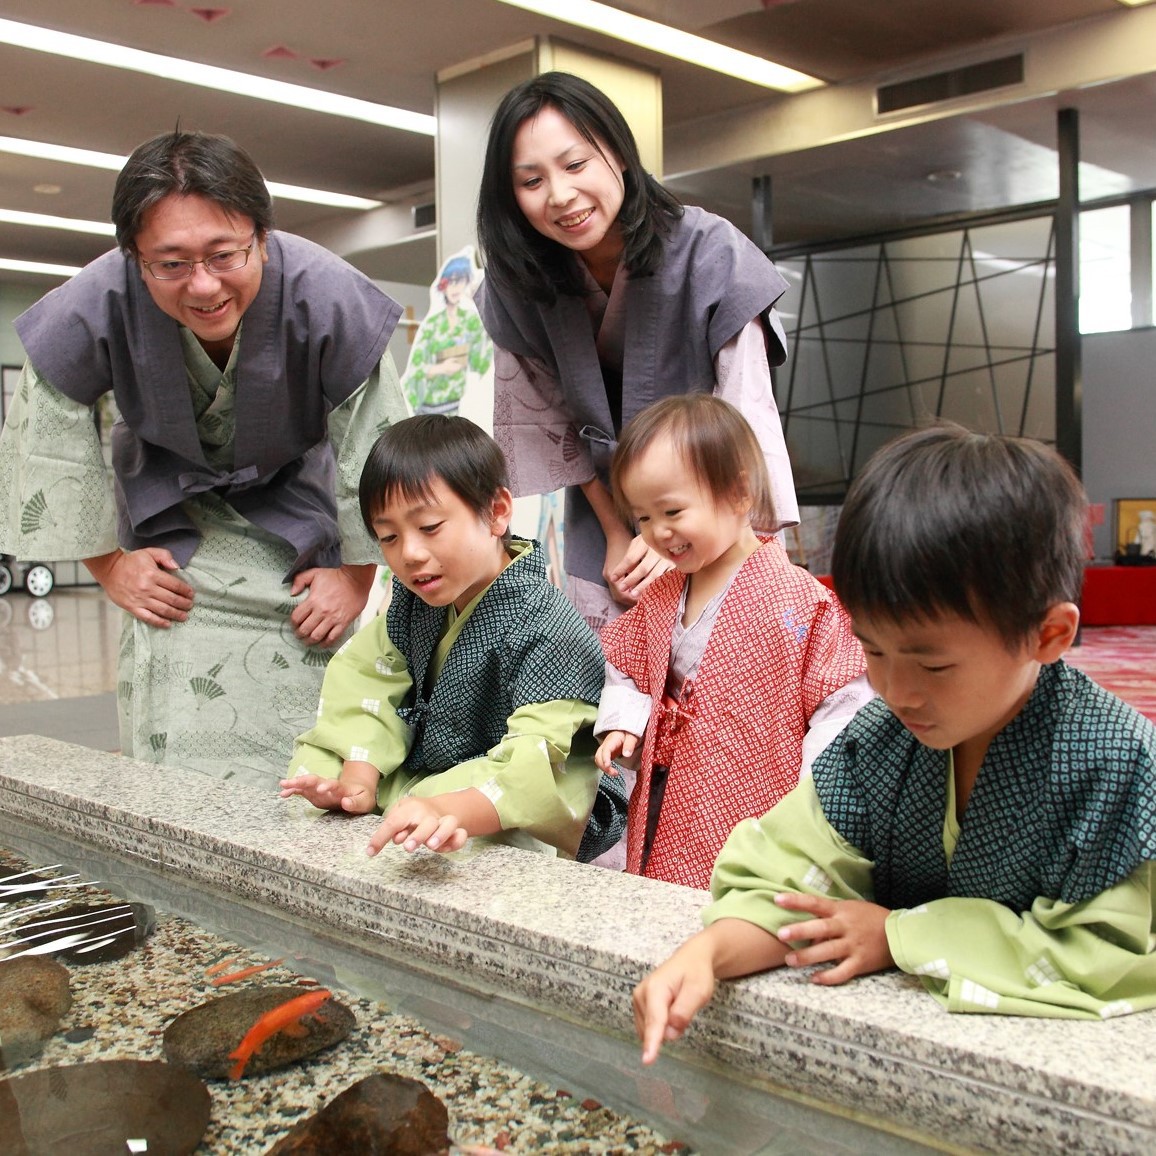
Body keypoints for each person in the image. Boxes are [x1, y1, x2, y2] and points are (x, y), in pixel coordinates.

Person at [633, 425, 1156, 1063]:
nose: (897, 691)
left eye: (932, 665)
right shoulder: (879, 742)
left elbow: (1101, 954)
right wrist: (709, 953)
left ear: (1048, 634)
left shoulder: (1110, 760)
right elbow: (788, 881)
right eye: (873, 650)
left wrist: (900, 935)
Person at [0, 130, 408, 785]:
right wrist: (108, 565)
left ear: (262, 238)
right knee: (176, 754)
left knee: (309, 755)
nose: (203, 285)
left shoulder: (324, 292)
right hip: (169, 533)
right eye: (172, 264)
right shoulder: (101, 298)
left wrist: (357, 577)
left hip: (298, 538)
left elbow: (379, 436)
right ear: (134, 257)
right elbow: (45, 416)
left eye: (225, 254)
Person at [475, 71, 799, 630]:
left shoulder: (713, 254)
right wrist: (622, 532)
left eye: (576, 165)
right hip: (609, 534)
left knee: (729, 683)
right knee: (615, 695)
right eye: (531, 181)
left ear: (619, 154)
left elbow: (748, 426)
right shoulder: (516, 286)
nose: (560, 196)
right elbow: (552, 433)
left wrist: (673, 530)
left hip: (722, 525)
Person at [280, 415, 626, 861]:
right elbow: (370, 681)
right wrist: (358, 780)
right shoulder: (413, 598)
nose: (410, 554)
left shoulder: (548, 627)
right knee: (323, 765)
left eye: (429, 527)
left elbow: (541, 763)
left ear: (497, 512)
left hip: (517, 790)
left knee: (448, 826)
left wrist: (444, 808)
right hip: (433, 768)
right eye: (388, 536)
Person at [594, 396, 870, 888]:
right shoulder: (661, 595)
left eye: (673, 510)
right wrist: (625, 724)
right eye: (642, 518)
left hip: (759, 783)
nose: (659, 533)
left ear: (739, 492)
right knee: (656, 888)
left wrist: (814, 799)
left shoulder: (801, 602)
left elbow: (843, 701)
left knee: (737, 889)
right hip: (665, 782)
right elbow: (627, 663)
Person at [402, 252, 492, 418]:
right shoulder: (431, 324)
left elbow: (482, 363)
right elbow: (415, 370)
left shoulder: (471, 321)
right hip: (426, 407)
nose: (456, 287)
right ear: (443, 285)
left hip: (458, 407)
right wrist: (439, 369)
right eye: (451, 282)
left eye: (461, 281)